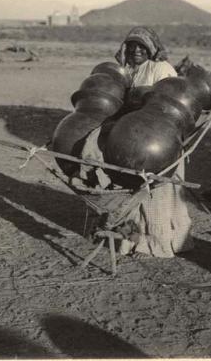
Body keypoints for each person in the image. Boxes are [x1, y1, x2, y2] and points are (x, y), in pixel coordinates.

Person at [80, 26, 194, 258]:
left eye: (142, 46)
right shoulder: (132, 71)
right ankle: (130, 238)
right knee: (132, 188)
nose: (136, 51)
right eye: (131, 46)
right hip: (135, 137)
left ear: (152, 48)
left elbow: (172, 107)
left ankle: (155, 242)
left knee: (156, 193)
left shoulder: (162, 69)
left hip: (158, 140)